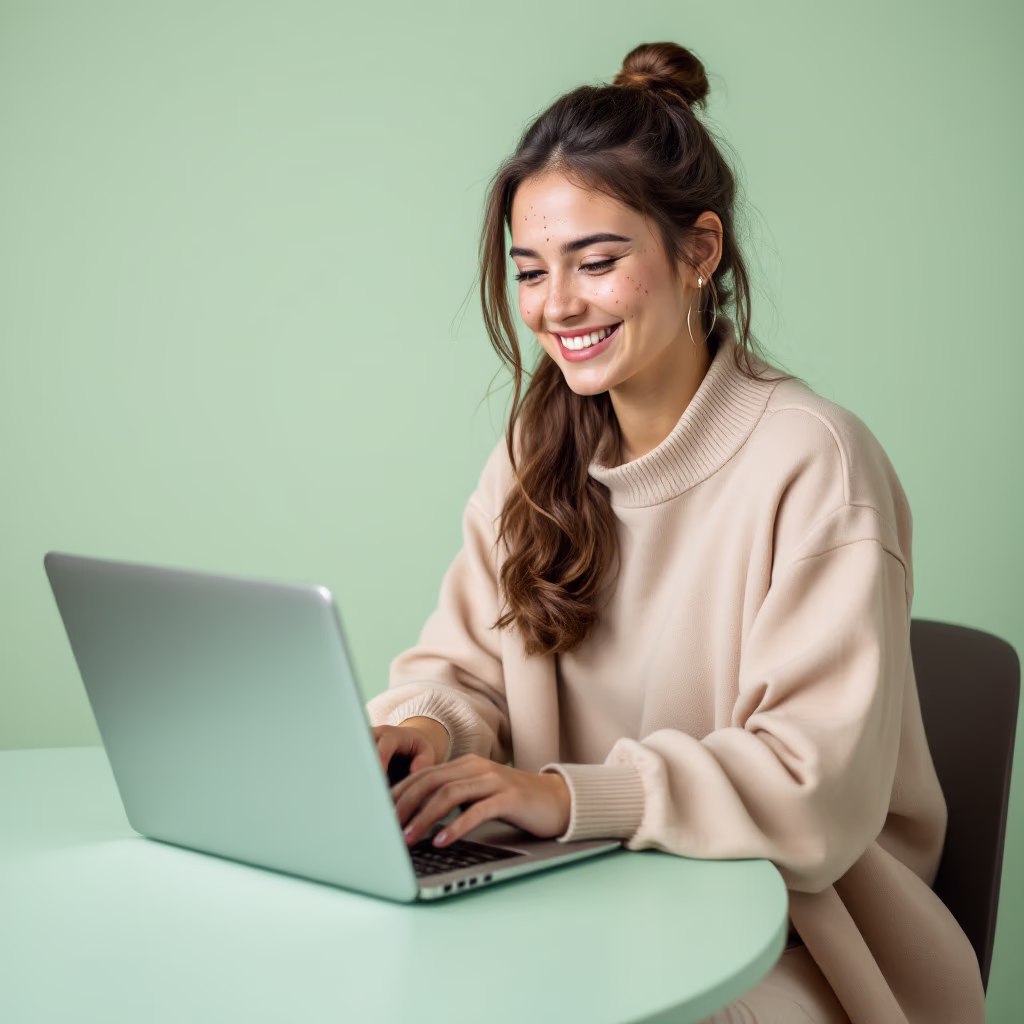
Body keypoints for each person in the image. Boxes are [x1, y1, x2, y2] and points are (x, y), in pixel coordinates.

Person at [365, 41, 986, 1024]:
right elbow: (467, 662)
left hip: (801, 936)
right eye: (529, 270)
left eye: (597, 262)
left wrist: (568, 798)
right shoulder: (538, 446)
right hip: (582, 897)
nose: (556, 305)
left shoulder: (813, 460)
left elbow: (808, 790)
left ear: (698, 252)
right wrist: (426, 725)